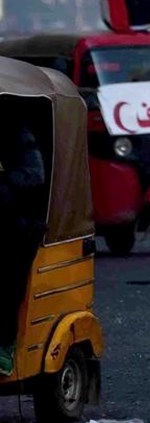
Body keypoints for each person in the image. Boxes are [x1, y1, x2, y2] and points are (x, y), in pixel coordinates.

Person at [0, 120, 46, 376]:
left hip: (15, 223)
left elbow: (34, 174)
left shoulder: (16, 134)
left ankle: (5, 344)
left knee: (8, 275)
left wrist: (5, 184)